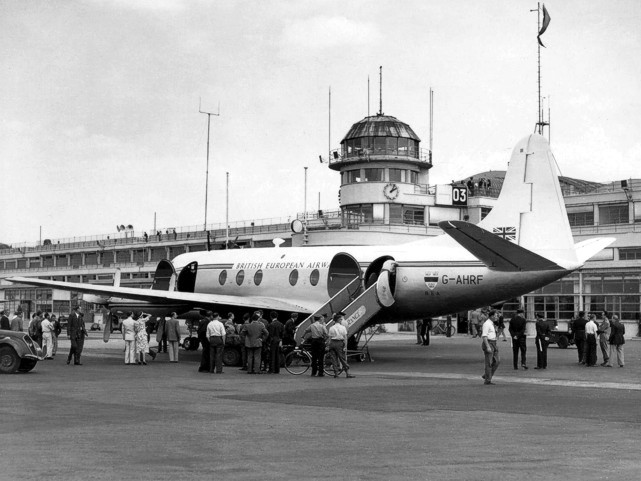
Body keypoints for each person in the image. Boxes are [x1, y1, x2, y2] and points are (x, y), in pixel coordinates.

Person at [327, 312, 354, 378]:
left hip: (332, 343)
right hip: (339, 343)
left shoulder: (331, 328)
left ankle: (336, 373)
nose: (341, 320)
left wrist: (328, 346)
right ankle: (347, 373)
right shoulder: (343, 328)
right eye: (341, 319)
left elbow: (329, 338)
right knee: (342, 358)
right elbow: (345, 338)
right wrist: (345, 346)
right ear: (338, 320)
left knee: (334, 359)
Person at [481, 309, 500, 385]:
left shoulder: (492, 323)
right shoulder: (487, 324)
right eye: (496, 316)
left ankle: (487, 375)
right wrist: (488, 346)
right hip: (489, 342)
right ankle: (488, 379)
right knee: (489, 362)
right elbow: (484, 336)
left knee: (497, 361)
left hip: (494, 342)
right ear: (492, 316)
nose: (497, 317)